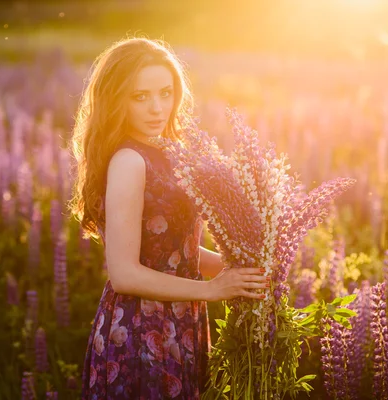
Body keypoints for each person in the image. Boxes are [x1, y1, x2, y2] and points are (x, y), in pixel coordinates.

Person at [69, 37, 269, 399]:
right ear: (117, 100)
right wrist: (211, 290)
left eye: (165, 92)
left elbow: (178, 254)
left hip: (182, 323)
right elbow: (123, 273)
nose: (157, 107)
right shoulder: (130, 160)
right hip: (141, 332)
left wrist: (238, 272)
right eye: (140, 96)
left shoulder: (168, 152)